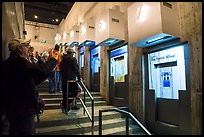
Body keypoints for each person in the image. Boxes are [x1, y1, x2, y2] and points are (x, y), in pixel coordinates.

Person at [2, 38, 57, 135]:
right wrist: (53, 61)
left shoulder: (15, 61)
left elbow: (33, 80)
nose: (29, 48)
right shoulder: (17, 62)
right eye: (27, 46)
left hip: (20, 110)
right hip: (21, 112)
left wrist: (48, 71)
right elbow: (39, 70)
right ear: (20, 48)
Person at [60, 47, 81, 114]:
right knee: (76, 92)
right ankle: (65, 104)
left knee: (65, 94)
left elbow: (61, 70)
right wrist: (79, 77)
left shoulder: (62, 60)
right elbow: (76, 69)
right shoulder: (73, 59)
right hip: (71, 80)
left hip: (64, 80)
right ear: (72, 53)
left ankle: (66, 107)